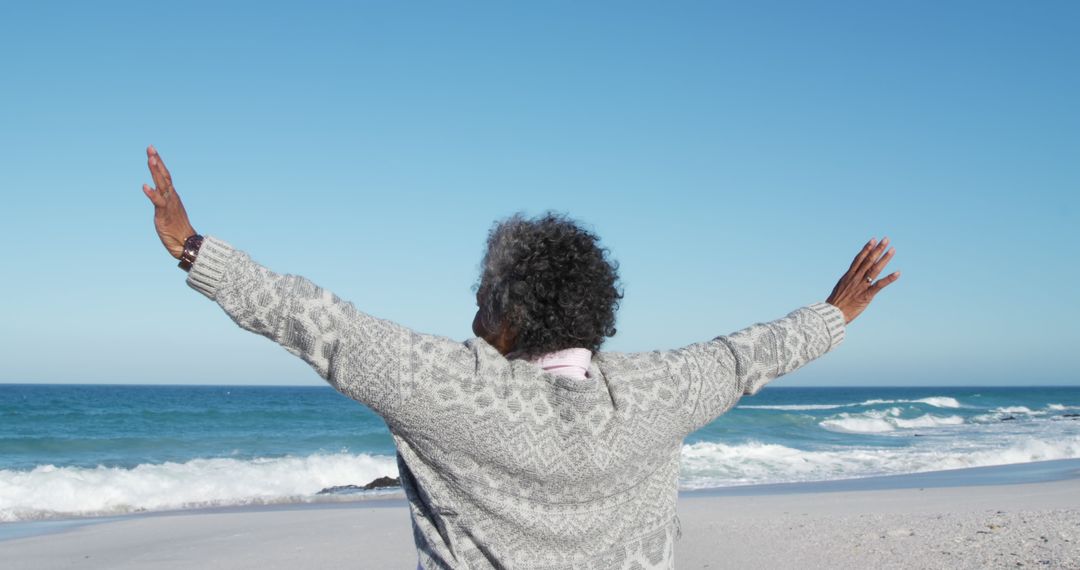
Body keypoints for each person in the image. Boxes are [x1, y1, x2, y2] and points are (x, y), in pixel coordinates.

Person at [141, 145, 899, 569]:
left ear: (508, 315)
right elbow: (751, 356)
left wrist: (193, 249)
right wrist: (834, 314)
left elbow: (318, 325)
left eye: (480, 300)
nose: (470, 317)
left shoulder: (448, 389)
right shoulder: (662, 389)